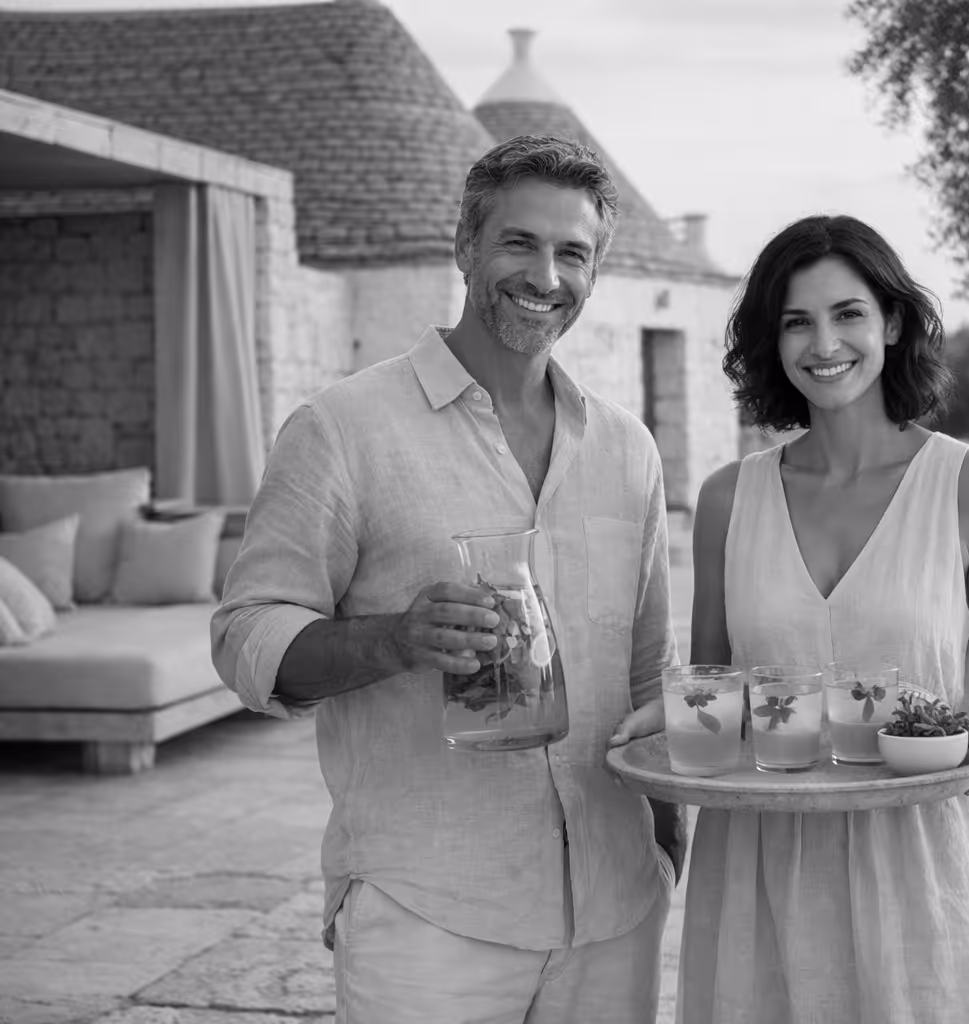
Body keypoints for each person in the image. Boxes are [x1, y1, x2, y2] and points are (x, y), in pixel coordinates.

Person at [211, 134, 684, 1024]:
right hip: (428, 913)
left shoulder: (629, 449)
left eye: (572, 253)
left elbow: (648, 672)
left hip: (616, 913)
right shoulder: (342, 428)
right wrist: (395, 638)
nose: (545, 275)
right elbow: (245, 637)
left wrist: (666, 851)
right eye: (519, 242)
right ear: (464, 246)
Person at [676, 214, 969, 1023]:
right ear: (771, 343)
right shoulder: (725, 500)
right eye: (796, 321)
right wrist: (660, 718)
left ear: (892, 321)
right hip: (759, 866)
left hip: (922, 857)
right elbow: (715, 685)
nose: (824, 343)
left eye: (847, 313)